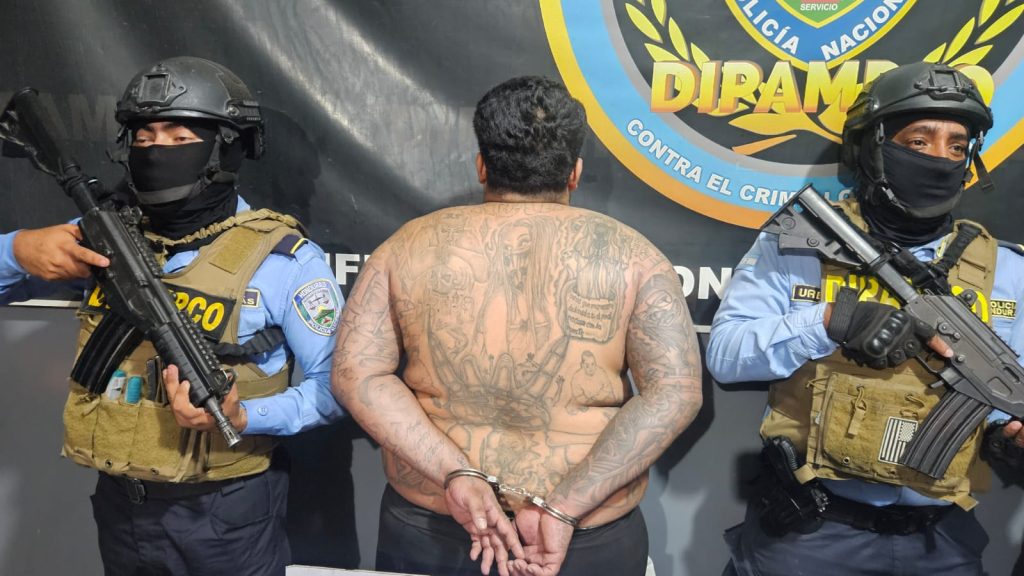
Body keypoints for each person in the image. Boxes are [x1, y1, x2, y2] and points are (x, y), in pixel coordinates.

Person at [331, 75, 703, 576]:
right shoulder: (637, 258)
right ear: (575, 172)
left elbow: (357, 374)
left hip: (437, 527)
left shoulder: (405, 248)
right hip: (580, 533)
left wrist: (456, 474)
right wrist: (564, 507)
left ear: (482, 165)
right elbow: (675, 392)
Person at [0, 56, 344, 575]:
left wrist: (245, 417)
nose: (156, 150)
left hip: (226, 510)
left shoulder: (284, 262)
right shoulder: (103, 236)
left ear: (226, 147)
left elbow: (337, 387)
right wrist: (18, 250)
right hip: (122, 502)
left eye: (179, 137)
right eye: (144, 137)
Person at [707, 61, 1024, 575]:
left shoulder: (1006, 271)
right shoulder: (803, 244)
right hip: (810, 535)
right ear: (873, 149)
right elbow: (726, 355)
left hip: (941, 542)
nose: (940, 159)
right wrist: (831, 322)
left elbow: (1004, 395)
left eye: (956, 146)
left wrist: (1008, 433)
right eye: (918, 141)